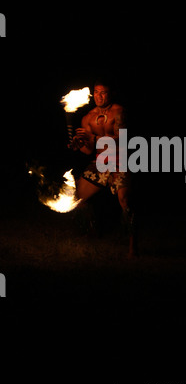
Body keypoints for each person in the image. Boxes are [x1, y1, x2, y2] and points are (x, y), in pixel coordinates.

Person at [70, 79, 138, 258]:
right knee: (78, 196)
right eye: (96, 92)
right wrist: (79, 144)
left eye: (103, 92)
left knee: (125, 200)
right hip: (101, 163)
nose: (99, 96)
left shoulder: (119, 112)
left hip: (120, 161)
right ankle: (92, 231)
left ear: (111, 93)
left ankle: (133, 246)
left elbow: (122, 140)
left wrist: (93, 140)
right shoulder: (88, 118)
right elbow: (88, 151)